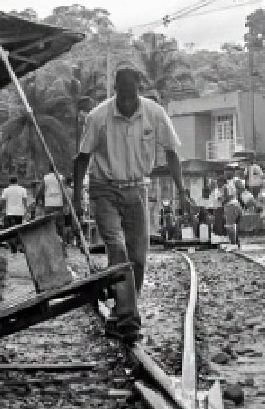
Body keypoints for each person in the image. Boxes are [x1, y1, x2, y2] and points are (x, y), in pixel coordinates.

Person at [73, 67, 191, 345]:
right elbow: (82, 159)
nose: (127, 103)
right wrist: (77, 199)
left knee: (138, 256)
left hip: (138, 188)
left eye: (132, 97)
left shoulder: (154, 113)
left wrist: (182, 192)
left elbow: (172, 152)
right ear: (116, 92)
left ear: (139, 91)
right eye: (123, 97)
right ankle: (128, 315)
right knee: (118, 248)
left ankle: (123, 310)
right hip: (104, 189)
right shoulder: (98, 117)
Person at [1, 176, 28, 253]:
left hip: (9, 213)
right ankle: (20, 246)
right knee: (19, 229)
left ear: (9, 182)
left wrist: (2, 210)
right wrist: (26, 210)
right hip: (20, 213)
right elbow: (25, 200)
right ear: (17, 181)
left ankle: (13, 247)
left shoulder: (6, 190)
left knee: (11, 230)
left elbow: (3, 201)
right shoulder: (23, 189)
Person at [36, 170, 66, 239]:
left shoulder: (46, 178)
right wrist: (65, 204)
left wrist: (37, 199)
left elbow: (40, 191)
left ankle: (50, 241)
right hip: (59, 204)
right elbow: (64, 192)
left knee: (48, 225)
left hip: (49, 204)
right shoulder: (61, 177)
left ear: (49, 169)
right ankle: (62, 243)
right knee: (60, 225)